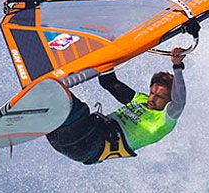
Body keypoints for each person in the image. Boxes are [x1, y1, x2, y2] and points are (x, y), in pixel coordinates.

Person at [46, 47, 187, 164]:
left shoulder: (166, 119)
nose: (152, 98)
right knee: (56, 98)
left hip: (91, 146)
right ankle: (41, 106)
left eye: (159, 97)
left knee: (77, 109)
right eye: (152, 93)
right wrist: (108, 50)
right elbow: (109, 83)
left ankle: (47, 92)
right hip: (66, 140)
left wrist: (177, 66)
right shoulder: (139, 100)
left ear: (169, 100)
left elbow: (180, 102)